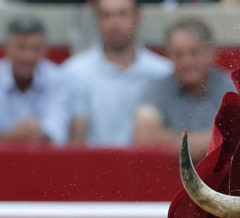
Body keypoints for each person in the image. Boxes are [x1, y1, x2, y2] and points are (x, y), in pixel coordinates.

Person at [63, 0, 172, 147]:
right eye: (106, 15)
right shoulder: (73, 72)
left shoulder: (164, 71)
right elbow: (74, 140)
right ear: (96, 20)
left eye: (122, 14)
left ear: (138, 17)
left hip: (146, 166)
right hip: (92, 166)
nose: (114, 23)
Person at [132, 19, 234, 162]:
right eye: (178, 54)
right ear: (169, 56)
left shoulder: (231, 86)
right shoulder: (156, 88)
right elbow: (144, 136)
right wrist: (196, 142)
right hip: (169, 180)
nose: (187, 62)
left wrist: (202, 141)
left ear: (210, 54)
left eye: (194, 53)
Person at [0, 17, 71, 146]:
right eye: (21, 48)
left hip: (44, 160)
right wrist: (12, 136)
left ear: (46, 49)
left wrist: (37, 134)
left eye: (36, 48)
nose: (28, 56)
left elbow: (58, 132)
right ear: (5, 48)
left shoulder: (58, 78)